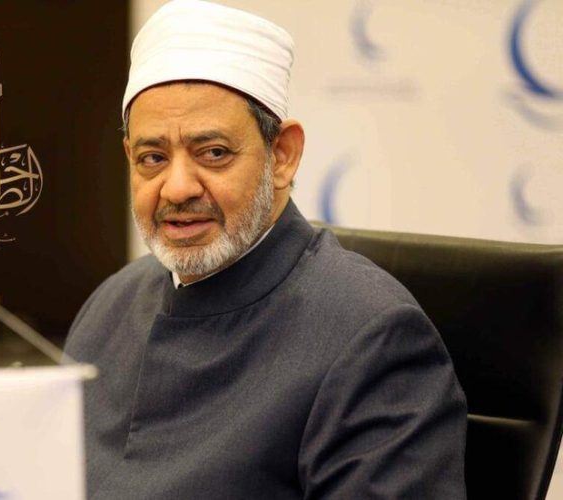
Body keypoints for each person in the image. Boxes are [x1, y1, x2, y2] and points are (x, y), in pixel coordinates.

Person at [64, 1, 467, 498]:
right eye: (153, 158)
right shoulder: (110, 304)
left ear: (282, 155)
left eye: (213, 153)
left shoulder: (372, 337)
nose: (177, 187)